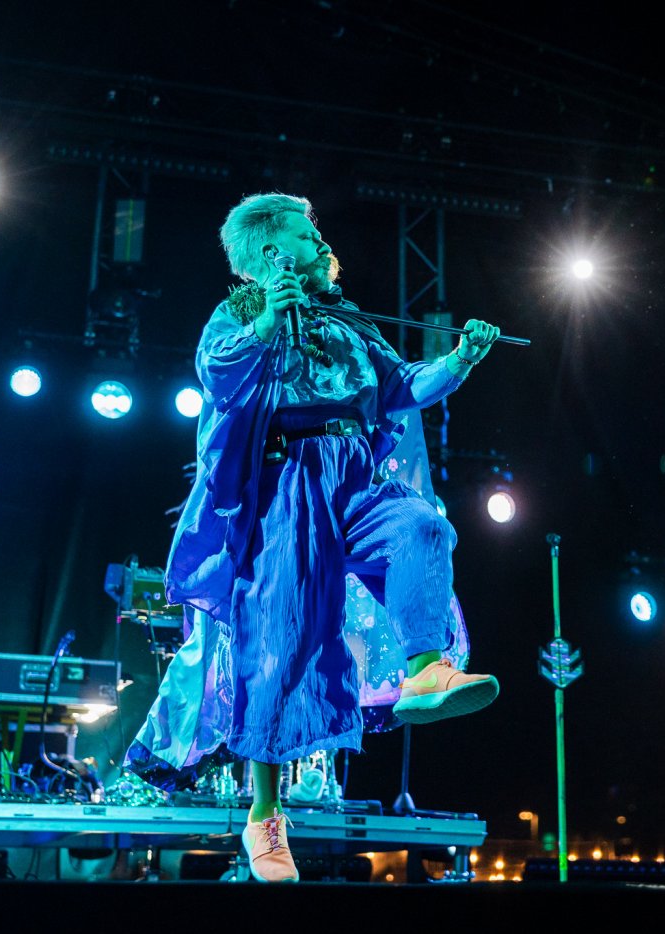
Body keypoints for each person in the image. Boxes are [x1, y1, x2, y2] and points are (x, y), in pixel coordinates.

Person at [127, 193, 501, 883]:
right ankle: (264, 817)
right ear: (272, 251)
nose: (320, 239)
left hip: (353, 473)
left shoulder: (349, 320)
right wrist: (270, 318)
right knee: (279, 641)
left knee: (422, 528)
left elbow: (400, 387)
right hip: (286, 483)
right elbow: (218, 374)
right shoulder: (239, 313)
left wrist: (459, 361)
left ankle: (426, 669)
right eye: (307, 233)